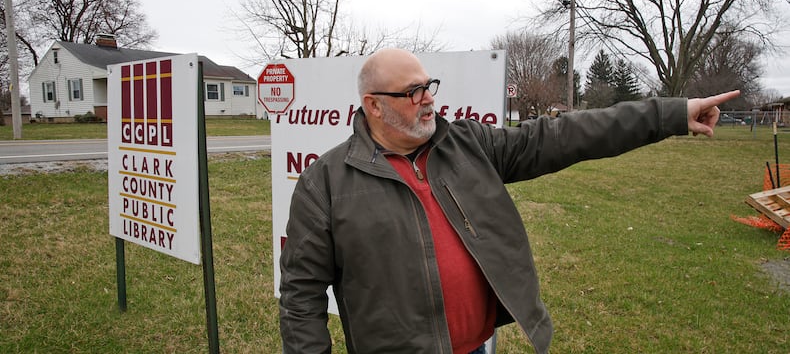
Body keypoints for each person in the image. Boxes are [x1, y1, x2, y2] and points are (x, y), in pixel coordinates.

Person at [278, 48, 740, 354]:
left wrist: (670, 115)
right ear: (373, 105)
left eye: (429, 86)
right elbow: (301, 295)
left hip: (475, 348)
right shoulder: (326, 183)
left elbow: (562, 136)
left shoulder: (466, 145)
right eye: (412, 92)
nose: (428, 100)